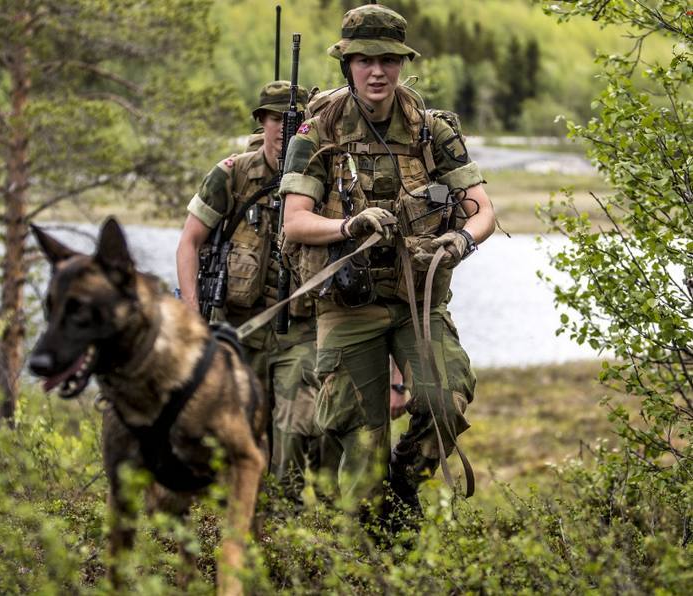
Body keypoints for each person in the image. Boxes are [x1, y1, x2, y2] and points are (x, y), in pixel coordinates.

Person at [279, 4, 495, 521]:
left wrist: (460, 241)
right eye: (364, 60)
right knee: (360, 438)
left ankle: (405, 482)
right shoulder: (318, 129)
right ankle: (369, 554)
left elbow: (483, 210)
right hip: (348, 303)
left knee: (445, 400)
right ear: (347, 64)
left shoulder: (431, 129)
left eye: (388, 60)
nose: (377, 71)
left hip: (414, 299)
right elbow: (294, 221)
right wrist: (349, 227)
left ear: (401, 64)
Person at [176, 81, 339, 504]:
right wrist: (192, 317)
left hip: (300, 330)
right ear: (262, 121)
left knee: (295, 430)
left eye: (296, 122)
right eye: (274, 119)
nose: (284, 130)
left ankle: (283, 531)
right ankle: (227, 521)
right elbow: (189, 242)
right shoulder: (232, 174)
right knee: (231, 431)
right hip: (237, 330)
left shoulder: (325, 176)